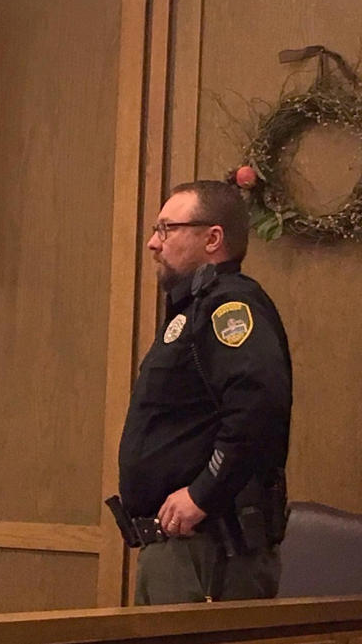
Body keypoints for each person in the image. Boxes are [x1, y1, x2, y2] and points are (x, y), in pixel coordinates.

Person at [114, 180, 291, 605]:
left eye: (166, 229)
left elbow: (258, 407)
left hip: (214, 551)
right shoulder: (194, 309)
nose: (154, 244)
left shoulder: (230, 306)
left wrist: (202, 493)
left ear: (213, 238)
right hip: (182, 550)